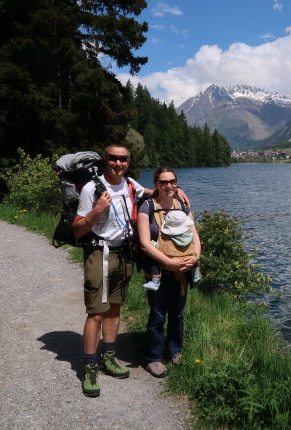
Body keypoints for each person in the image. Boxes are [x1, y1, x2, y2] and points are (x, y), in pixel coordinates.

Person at [72, 144, 144, 398]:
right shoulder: (93, 188)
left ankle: (108, 357)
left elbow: (152, 192)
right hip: (99, 254)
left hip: (123, 254)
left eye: (123, 159)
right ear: (106, 160)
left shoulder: (130, 184)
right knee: (96, 313)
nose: (118, 163)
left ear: (128, 161)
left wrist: (175, 189)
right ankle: (90, 367)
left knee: (114, 309)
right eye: (113, 158)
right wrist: (97, 211)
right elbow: (78, 229)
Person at [137, 167, 200, 378]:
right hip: (158, 271)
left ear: (176, 183)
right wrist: (168, 263)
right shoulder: (146, 207)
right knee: (157, 315)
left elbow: (194, 235)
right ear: (156, 184)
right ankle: (153, 358)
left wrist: (196, 257)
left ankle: (175, 351)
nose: (168, 186)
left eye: (172, 181)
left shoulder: (182, 206)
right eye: (163, 182)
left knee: (178, 314)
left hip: (182, 271)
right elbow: (145, 243)